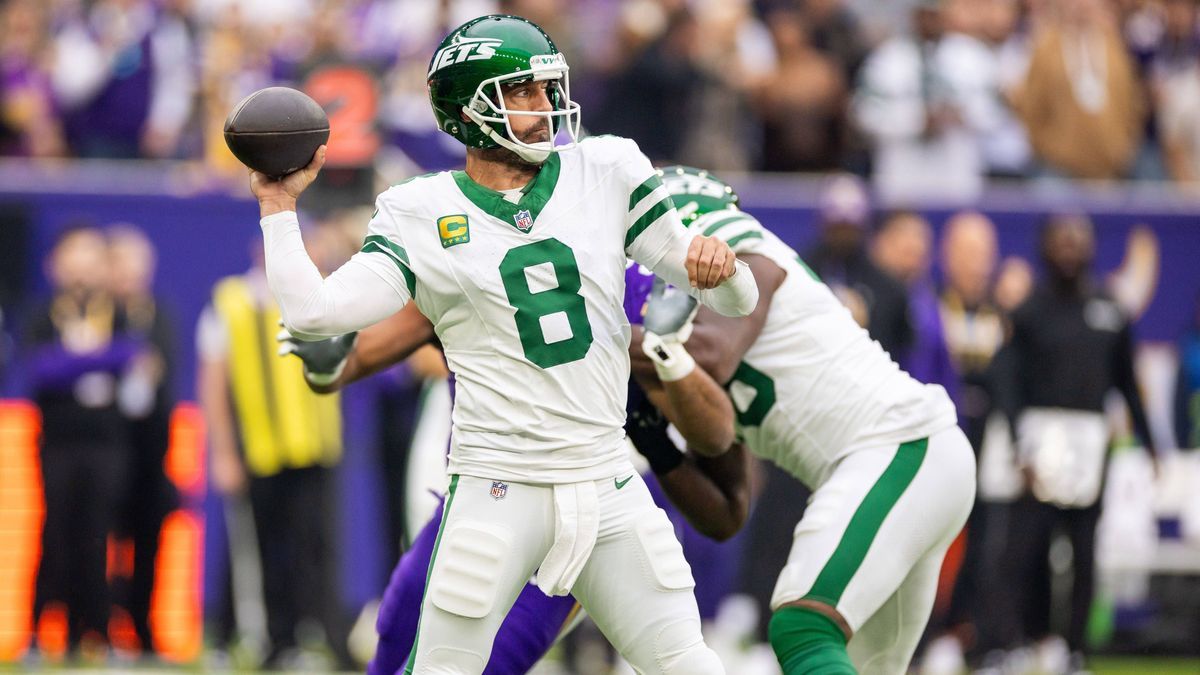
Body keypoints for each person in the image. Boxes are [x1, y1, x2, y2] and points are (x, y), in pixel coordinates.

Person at [244, 14, 758, 674]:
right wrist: (278, 206)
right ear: (469, 109)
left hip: (605, 480)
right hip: (497, 488)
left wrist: (725, 267)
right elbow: (313, 315)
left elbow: (730, 297)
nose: (545, 107)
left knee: (688, 663)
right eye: (523, 92)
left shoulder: (605, 168)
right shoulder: (420, 210)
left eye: (547, 89)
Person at [992, 213, 1158, 672]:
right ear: (1045, 246)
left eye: (1077, 240)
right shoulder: (1029, 310)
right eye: (1060, 240)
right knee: (1027, 553)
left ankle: (1075, 650)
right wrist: (1018, 441)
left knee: (1084, 555)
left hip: (1089, 451)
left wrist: (1151, 446)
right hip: (1038, 450)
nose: (1069, 248)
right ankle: (1024, 642)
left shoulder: (1109, 308)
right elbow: (1006, 378)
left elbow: (1126, 381)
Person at [196, 238, 350, 669]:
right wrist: (223, 452)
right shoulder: (232, 301)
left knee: (314, 549)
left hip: (314, 447)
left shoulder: (323, 295)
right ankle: (260, 639)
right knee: (261, 548)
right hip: (259, 447)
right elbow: (213, 381)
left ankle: (310, 640)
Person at [25, 225, 143, 660]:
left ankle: (95, 633)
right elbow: (41, 370)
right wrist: (95, 359)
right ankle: (38, 633)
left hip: (106, 443)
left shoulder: (116, 310)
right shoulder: (45, 312)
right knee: (55, 534)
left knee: (98, 537)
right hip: (58, 441)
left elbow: (131, 355)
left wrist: (75, 361)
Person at [106, 224, 178, 660]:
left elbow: (165, 376)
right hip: (112, 449)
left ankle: (143, 627)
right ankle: (101, 624)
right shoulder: (103, 315)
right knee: (105, 541)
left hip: (152, 454)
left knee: (149, 543)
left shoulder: (160, 315)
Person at [804, 174, 913, 359]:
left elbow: (903, 345)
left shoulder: (888, 288)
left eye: (850, 228)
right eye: (837, 227)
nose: (843, 237)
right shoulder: (802, 273)